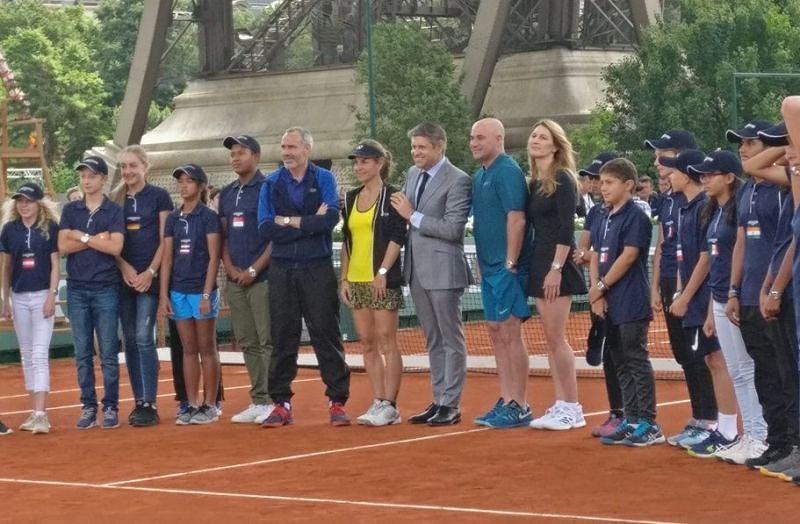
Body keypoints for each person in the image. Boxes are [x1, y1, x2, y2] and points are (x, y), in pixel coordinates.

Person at [257, 126, 351, 428]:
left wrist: (287, 221)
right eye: (283, 147)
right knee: (283, 336)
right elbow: (265, 227)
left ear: (306, 150)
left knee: (326, 333)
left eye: (292, 147)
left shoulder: (324, 178)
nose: (286, 152)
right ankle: (281, 403)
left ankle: (337, 402)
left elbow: (329, 220)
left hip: (317, 268)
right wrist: (305, 223)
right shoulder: (271, 184)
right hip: (282, 269)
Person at [390, 123, 472, 426]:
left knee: (451, 338)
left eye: (422, 147)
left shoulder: (459, 180)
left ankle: (451, 403)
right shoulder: (412, 175)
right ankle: (438, 400)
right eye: (413, 147)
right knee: (432, 338)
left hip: (444, 269)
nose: (415, 152)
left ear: (440, 147)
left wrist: (412, 215)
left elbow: (452, 229)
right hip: (417, 270)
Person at [690, 150, 766, 458]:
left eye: (711, 175)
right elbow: (717, 266)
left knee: (748, 370)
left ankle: (760, 435)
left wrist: (735, 294)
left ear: (730, 177)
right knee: (736, 371)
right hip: (720, 300)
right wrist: (711, 309)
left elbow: (742, 258)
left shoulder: (738, 210)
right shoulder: (714, 212)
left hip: (739, 298)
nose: (704, 180)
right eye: (703, 175)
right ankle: (749, 435)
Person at [663, 149, 739, 453]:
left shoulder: (703, 210)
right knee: (705, 360)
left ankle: (721, 426)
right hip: (695, 298)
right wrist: (680, 293)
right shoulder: (687, 208)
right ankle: (711, 423)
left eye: (674, 170)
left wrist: (688, 295)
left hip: (710, 296)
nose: (669, 175)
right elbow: (685, 258)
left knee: (720, 361)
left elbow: (705, 260)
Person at [645, 130, 715, 446]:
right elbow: (663, 245)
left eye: (665, 155)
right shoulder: (671, 201)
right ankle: (699, 416)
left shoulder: (703, 202)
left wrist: (685, 293)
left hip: (695, 288)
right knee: (684, 354)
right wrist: (658, 287)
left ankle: (711, 419)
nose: (658, 161)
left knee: (703, 354)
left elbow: (704, 255)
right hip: (672, 284)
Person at [587, 158, 661, 446]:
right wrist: (596, 292)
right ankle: (630, 419)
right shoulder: (603, 216)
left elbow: (629, 256)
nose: (602, 188)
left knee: (636, 360)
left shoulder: (637, 218)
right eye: (601, 183)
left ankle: (649, 422)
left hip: (631, 301)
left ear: (628, 185)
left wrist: (602, 286)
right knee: (619, 361)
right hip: (608, 302)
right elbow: (595, 255)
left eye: (609, 183)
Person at [524, 119, 587, 431]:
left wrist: (556, 269)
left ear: (555, 145)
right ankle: (561, 403)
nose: (535, 140)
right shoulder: (535, 182)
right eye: (534, 135)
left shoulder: (563, 178)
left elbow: (566, 228)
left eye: (542, 137)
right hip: (539, 262)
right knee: (549, 338)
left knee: (556, 337)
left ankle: (573, 406)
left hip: (556, 265)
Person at [469, 118, 532, 429]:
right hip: (489, 267)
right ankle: (506, 397)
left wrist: (510, 262)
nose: (474, 143)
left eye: (481, 137)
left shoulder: (507, 171)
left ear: (499, 138)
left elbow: (516, 219)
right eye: (472, 138)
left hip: (508, 269)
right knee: (495, 330)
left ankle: (520, 403)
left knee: (510, 332)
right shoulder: (479, 176)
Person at [340, 140, 407, 426]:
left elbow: (396, 237)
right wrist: (343, 277)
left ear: (379, 163)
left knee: (387, 341)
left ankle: (391, 405)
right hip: (355, 281)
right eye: (356, 162)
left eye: (365, 161)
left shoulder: (393, 197)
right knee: (367, 343)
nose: (359, 167)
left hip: (382, 280)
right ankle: (378, 399)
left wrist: (382, 271)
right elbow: (347, 241)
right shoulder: (349, 198)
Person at [58, 156, 125, 429]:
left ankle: (110, 407)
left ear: (103, 179)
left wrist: (81, 236)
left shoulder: (113, 210)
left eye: (92, 175)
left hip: (106, 288)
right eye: (83, 175)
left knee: (108, 352)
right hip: (77, 289)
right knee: (82, 352)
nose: (86, 180)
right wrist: (98, 239)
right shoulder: (71, 210)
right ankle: (88, 406)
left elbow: (115, 248)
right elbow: (63, 246)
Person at [111, 145, 173, 427]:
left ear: (144, 166)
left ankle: (150, 402)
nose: (128, 172)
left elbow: (165, 240)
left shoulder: (159, 197)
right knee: (131, 340)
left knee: (144, 338)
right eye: (123, 167)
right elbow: (112, 242)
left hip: (149, 279)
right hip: (124, 280)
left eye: (133, 166)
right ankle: (138, 402)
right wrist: (125, 267)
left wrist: (150, 272)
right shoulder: (115, 199)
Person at [160, 164, 222, 425]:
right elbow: (167, 259)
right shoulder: (173, 219)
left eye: (189, 181)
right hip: (178, 291)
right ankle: (191, 403)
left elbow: (213, 257)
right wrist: (164, 294)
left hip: (201, 291)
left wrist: (207, 295)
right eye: (180, 181)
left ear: (200, 186)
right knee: (187, 349)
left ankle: (210, 404)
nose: (183, 185)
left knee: (207, 348)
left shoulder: (208, 217)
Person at [218, 135, 274, 424]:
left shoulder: (269, 188)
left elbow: (275, 237)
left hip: (263, 278)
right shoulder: (227, 193)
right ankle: (258, 399)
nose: (236, 158)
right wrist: (229, 267)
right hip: (235, 280)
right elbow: (224, 235)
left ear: (256, 156)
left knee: (267, 341)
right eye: (233, 154)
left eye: (242, 152)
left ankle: (273, 401)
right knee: (248, 342)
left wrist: (253, 270)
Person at [1, 182, 60, 434]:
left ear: (38, 203)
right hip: (19, 296)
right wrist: (5, 300)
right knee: (26, 354)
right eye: (20, 201)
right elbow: (6, 267)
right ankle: (33, 412)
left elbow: (55, 264)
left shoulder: (50, 228)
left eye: (28, 200)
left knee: (39, 354)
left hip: (42, 296)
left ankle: (41, 413)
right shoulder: (9, 230)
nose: (23, 205)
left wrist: (52, 296)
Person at [574, 152, 625, 438]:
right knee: (606, 354)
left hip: (622, 294)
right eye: (593, 179)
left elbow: (622, 256)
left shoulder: (632, 212)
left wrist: (591, 258)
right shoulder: (595, 212)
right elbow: (584, 250)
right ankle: (616, 412)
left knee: (624, 356)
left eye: (601, 179)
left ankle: (630, 414)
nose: (595, 184)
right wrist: (596, 292)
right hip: (600, 291)